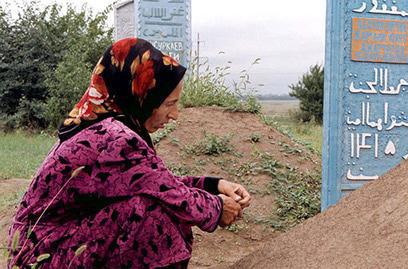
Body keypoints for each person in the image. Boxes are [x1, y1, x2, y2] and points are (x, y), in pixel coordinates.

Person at [7, 38, 251, 269]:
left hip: (48, 246)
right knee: (155, 214)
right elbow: (171, 195)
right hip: (43, 256)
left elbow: (159, 184)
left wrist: (214, 185)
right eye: (169, 104)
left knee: (154, 203)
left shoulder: (100, 122)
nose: (175, 114)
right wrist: (218, 208)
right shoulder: (113, 138)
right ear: (142, 94)